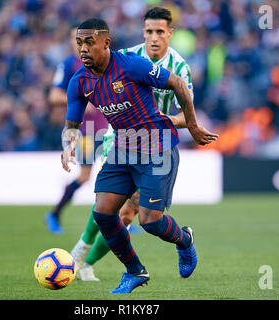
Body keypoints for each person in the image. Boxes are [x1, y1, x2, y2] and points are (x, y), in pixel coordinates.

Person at [61, 18, 218, 294]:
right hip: (123, 148)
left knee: (150, 221)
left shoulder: (131, 65)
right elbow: (72, 124)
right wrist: (68, 145)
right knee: (103, 213)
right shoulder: (79, 82)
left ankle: (184, 239)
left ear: (106, 42)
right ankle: (135, 271)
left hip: (157, 147)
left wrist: (192, 126)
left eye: (89, 42)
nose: (83, 49)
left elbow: (179, 84)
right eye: (79, 43)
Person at [45, 27, 107, 234]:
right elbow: (54, 96)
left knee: (120, 172)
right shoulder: (68, 65)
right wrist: (79, 99)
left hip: (108, 127)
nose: (80, 43)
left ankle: (123, 219)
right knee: (85, 176)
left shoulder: (102, 60)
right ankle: (54, 213)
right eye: (75, 39)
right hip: (85, 130)